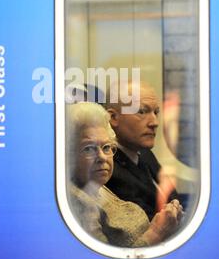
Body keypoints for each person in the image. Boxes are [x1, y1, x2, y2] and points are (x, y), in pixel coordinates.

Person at [67, 102, 183, 248]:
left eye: (107, 147)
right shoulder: (77, 202)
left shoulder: (96, 186)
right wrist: (156, 232)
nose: (102, 157)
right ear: (67, 155)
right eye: (89, 149)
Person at [105, 80, 180, 221]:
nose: (154, 122)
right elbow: (147, 223)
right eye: (142, 111)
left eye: (156, 112)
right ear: (113, 117)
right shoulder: (107, 168)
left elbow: (174, 199)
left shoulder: (144, 152)